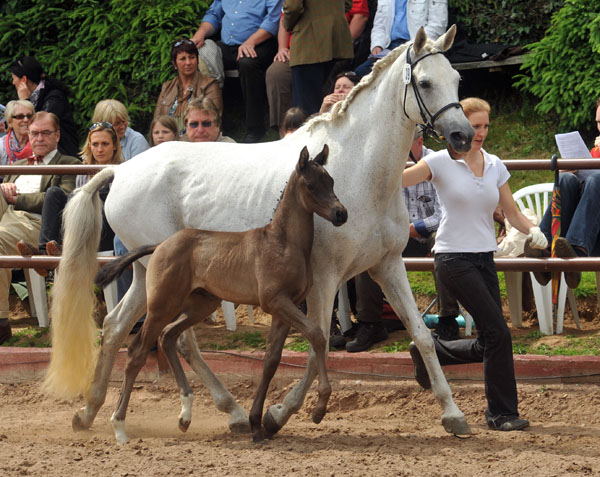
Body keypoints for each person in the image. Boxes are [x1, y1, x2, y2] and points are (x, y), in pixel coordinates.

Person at [402, 97, 548, 431]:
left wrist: (534, 229)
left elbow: (511, 212)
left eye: (485, 126)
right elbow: (399, 180)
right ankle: (501, 414)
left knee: (490, 338)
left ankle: (433, 351)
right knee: (499, 333)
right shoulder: (438, 162)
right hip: (452, 257)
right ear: (461, 126)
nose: (480, 133)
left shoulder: (495, 164)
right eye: (475, 126)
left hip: (484, 257)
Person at [346, 128, 460, 352]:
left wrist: (412, 229)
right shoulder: (385, 165)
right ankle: (370, 323)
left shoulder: (437, 162)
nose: (395, 150)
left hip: (427, 235)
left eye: (402, 145)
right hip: (394, 235)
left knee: (444, 245)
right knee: (367, 251)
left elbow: (443, 213)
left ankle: (448, 320)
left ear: (419, 141)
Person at [0, 112, 79, 344]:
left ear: (57, 135)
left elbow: (60, 199)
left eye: (46, 133)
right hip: (7, 218)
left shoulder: (69, 163)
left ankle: (2, 322)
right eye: (34, 133)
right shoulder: (19, 164)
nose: (39, 138)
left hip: (38, 224)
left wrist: (17, 199)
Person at [17, 122, 124, 270]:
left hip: (103, 230)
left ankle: (61, 251)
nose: (99, 149)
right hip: (78, 224)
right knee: (54, 192)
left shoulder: (123, 170)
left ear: (114, 146)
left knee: (93, 194)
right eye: (95, 144)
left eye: (105, 144)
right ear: (89, 146)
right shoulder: (82, 170)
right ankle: (44, 254)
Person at [527, 97, 600, 289]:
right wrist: (570, 170)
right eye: (599, 122)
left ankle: (577, 253)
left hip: (594, 233)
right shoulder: (595, 151)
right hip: (590, 226)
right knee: (567, 179)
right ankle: (543, 246)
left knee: (597, 179)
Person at [191, 0, 283, 143]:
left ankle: (255, 129)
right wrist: (200, 34)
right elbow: (213, 15)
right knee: (202, 54)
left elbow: (273, 20)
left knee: (247, 63)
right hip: (227, 45)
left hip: (260, 43)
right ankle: (214, 121)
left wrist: (251, 41)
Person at [284, 0, 354, 116]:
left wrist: (286, 23)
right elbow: (347, 3)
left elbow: (293, 7)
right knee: (333, 106)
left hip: (308, 43)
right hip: (337, 41)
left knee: (305, 111)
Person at [354, 0, 448, 78]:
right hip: (389, 48)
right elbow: (379, 25)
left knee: (402, 78)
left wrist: (412, 47)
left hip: (418, 49)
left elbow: (437, 26)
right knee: (360, 73)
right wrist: (377, 45)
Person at [9, 56, 79, 156]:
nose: (13, 83)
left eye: (14, 78)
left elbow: (40, 124)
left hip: (62, 156)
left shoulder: (54, 97)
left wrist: (25, 101)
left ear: (24, 79)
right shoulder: (30, 94)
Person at [154, 39, 222, 136]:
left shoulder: (210, 85)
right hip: (168, 142)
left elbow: (214, 121)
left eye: (192, 57)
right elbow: (157, 120)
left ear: (197, 60)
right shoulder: (167, 87)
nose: (188, 62)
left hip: (198, 140)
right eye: (182, 59)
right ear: (174, 63)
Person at [0, 100, 34, 166]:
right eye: (20, 116)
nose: (26, 120)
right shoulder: (2, 146)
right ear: (10, 122)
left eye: (29, 116)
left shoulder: (41, 143)